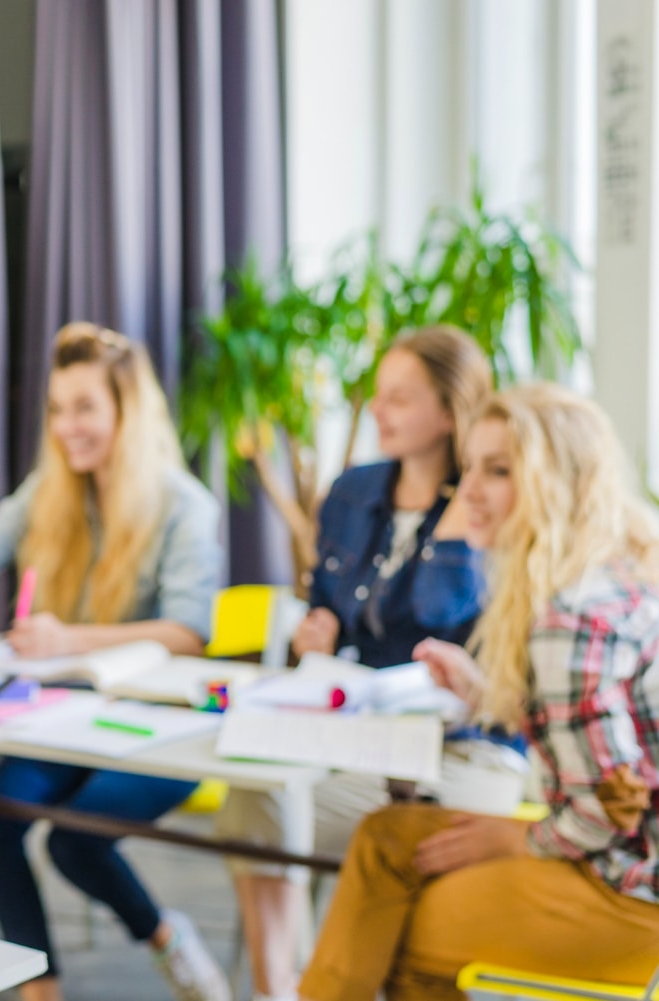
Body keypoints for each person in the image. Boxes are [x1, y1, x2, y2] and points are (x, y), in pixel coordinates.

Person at [299, 383, 659, 1000]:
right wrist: (488, 695)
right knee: (386, 837)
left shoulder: (567, 617)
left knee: (399, 925)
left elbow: (606, 809)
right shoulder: (616, 576)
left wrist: (514, 838)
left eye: (499, 471)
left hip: (630, 891)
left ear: (556, 482)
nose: (469, 492)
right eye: (471, 468)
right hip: (618, 857)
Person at [0, 322, 229, 1001]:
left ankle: (165, 935)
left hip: (156, 723)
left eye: (84, 407)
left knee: (72, 841)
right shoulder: (51, 486)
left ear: (128, 410)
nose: (66, 426)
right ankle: (41, 986)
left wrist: (70, 640)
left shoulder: (185, 506)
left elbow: (188, 632)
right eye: (57, 409)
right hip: (67, 717)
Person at [214, 325, 495, 1001]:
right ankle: (279, 985)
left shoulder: (484, 502)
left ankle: (329, 980)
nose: (377, 409)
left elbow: (438, 613)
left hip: (459, 748)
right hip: (356, 735)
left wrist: (454, 520)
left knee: (384, 842)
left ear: (451, 411)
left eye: (400, 397)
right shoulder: (352, 491)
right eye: (378, 394)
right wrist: (317, 632)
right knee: (253, 801)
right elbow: (326, 608)